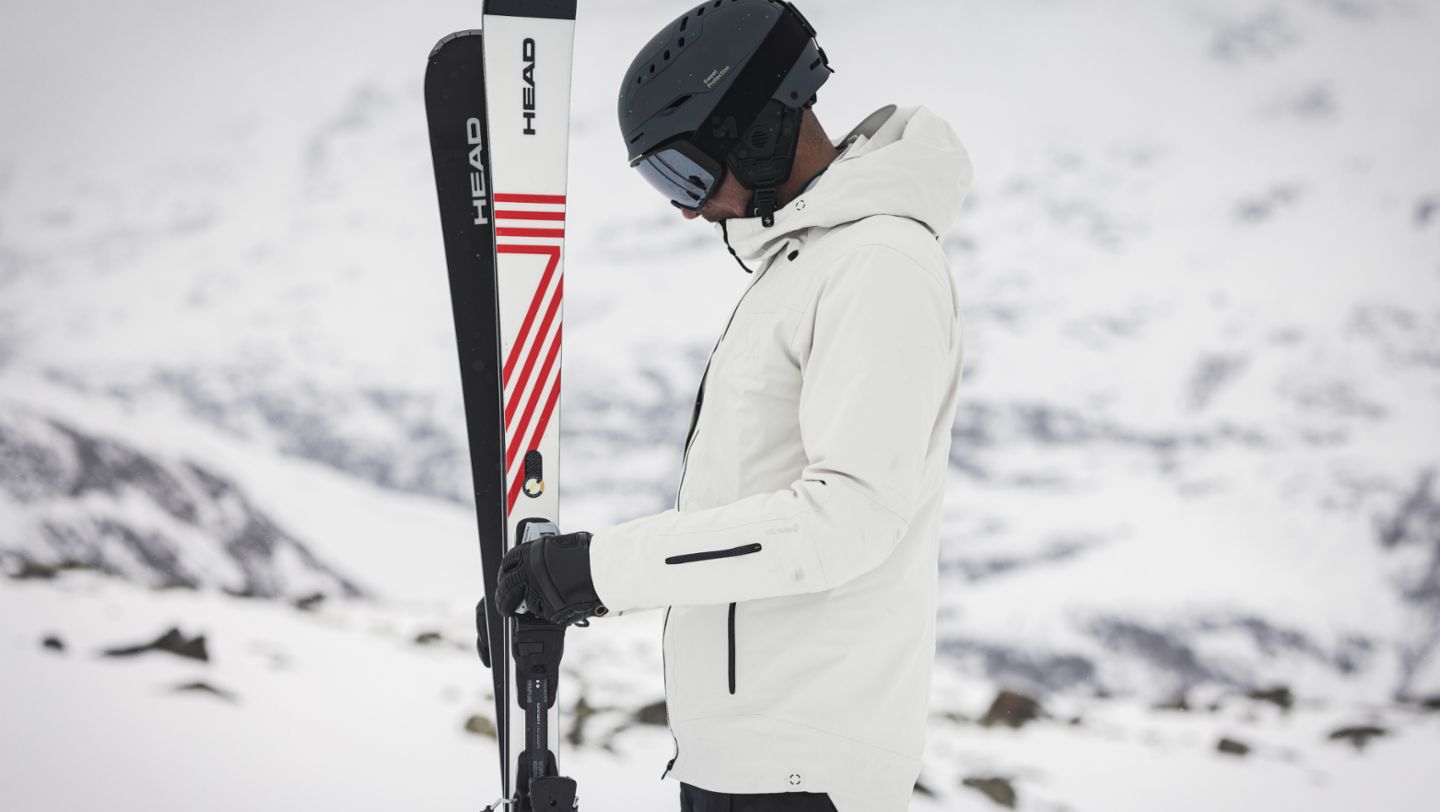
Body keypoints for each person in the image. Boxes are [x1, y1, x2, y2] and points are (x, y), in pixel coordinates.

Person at [495, 1, 973, 809]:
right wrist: (559, 582)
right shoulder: (807, 263)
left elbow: (848, 517)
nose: (684, 208)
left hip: (802, 766)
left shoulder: (878, 265)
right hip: (746, 759)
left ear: (754, 130)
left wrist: (596, 572)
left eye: (682, 172)